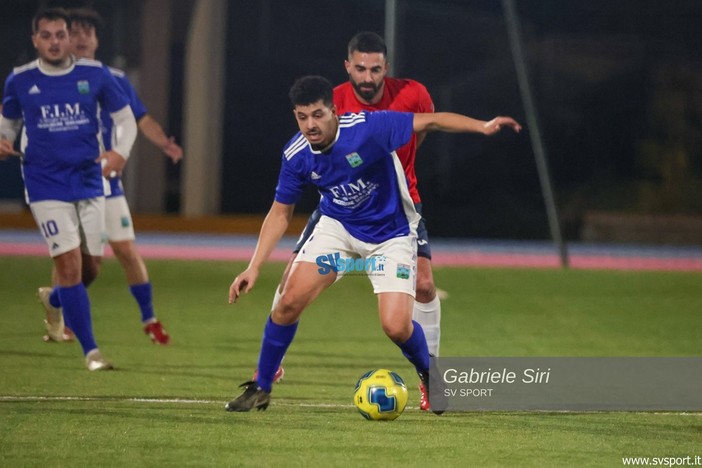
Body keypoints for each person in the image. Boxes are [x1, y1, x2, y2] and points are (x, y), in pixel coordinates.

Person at [225, 75, 520, 412]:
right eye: (302, 117)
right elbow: (280, 213)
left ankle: (429, 376)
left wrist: (482, 126)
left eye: (318, 115)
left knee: (396, 326)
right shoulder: (296, 155)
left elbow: (433, 120)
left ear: (334, 111)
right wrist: (254, 266)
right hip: (338, 230)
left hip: (391, 234)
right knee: (288, 301)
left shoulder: (369, 128)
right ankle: (261, 386)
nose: (310, 125)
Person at [265, 31, 439, 410]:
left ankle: (432, 378)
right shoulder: (333, 100)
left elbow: (419, 134)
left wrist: (393, 171)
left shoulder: (413, 93)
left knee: (424, 285)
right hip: (339, 209)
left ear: (385, 68)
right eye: (360, 67)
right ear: (348, 66)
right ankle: (271, 367)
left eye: (375, 69)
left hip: (397, 206)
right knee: (291, 277)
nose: (367, 76)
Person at [0, 8, 138, 370]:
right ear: (36, 40)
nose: (55, 41)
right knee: (71, 265)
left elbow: (126, 120)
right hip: (45, 184)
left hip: (90, 180)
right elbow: (8, 123)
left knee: (92, 268)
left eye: (60, 35)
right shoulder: (19, 80)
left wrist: (120, 153)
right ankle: (92, 352)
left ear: (67, 38)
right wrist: (2, 140)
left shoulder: (93, 74)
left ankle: (55, 300)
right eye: (46, 36)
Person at [36, 8, 182, 345]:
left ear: (97, 40)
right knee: (74, 256)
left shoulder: (113, 78)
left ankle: (148, 319)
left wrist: (164, 143)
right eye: (76, 31)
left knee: (126, 251)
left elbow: (140, 118)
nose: (83, 37)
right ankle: (62, 319)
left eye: (89, 31)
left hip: (106, 182)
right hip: (67, 182)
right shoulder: (47, 79)